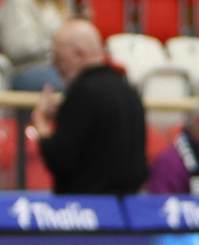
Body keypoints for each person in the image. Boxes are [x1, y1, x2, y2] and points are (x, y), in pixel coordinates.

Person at [31, 19, 147, 194]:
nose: (55, 66)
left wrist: (41, 121)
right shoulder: (129, 91)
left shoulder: (82, 93)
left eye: (59, 58)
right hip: (128, 209)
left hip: (87, 208)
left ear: (80, 54)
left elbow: (60, 160)